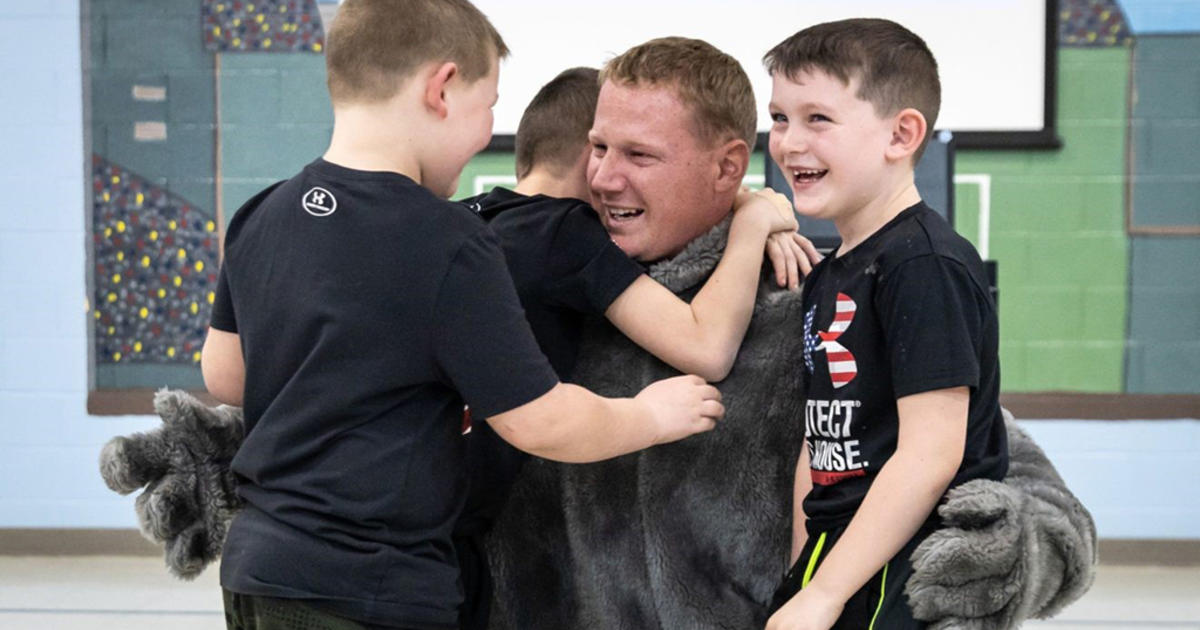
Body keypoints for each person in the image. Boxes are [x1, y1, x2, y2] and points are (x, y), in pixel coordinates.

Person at [198, 2, 727, 629]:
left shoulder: (262, 213)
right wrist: (648, 415)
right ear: (441, 88)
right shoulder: (447, 241)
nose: (488, 133)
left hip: (257, 569)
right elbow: (539, 421)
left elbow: (226, 375)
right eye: (490, 107)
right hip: (371, 586)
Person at [452, 66, 815, 630]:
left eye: (639, 156)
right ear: (582, 153)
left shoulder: (467, 222)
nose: (606, 179)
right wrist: (752, 220)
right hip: (438, 551)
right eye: (600, 149)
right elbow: (707, 346)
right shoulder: (565, 234)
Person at [761, 19, 1009, 630]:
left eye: (818, 119)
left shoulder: (923, 264)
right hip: (839, 555)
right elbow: (817, 445)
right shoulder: (832, 272)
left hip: (906, 569)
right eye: (780, 118)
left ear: (901, 134)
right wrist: (804, 576)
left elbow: (929, 455)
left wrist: (823, 597)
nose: (790, 143)